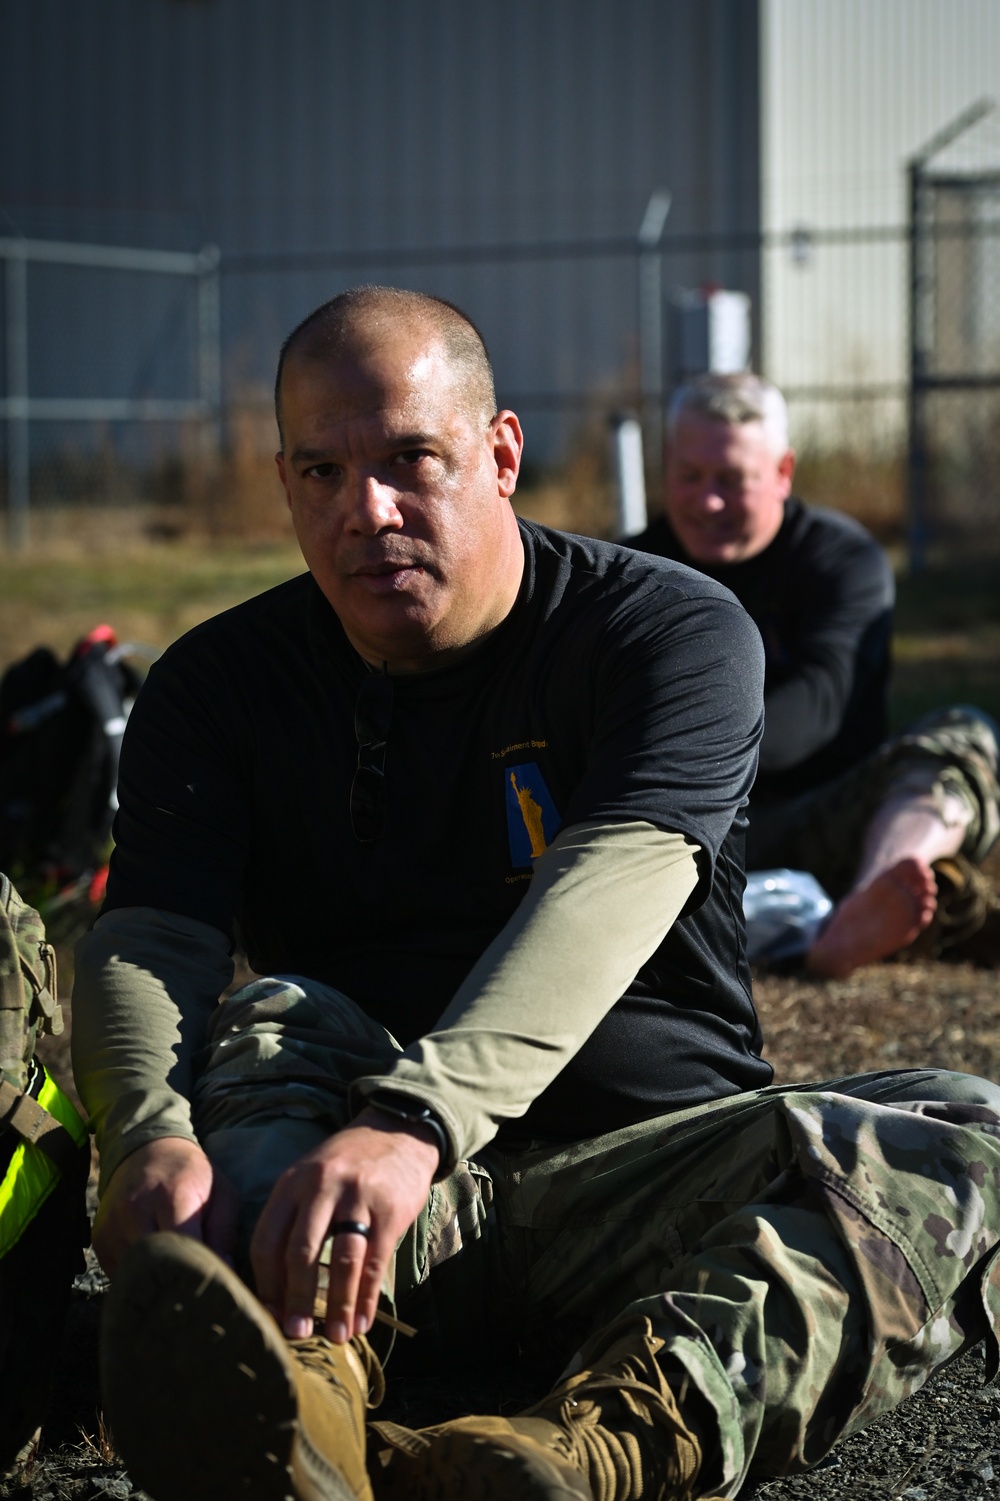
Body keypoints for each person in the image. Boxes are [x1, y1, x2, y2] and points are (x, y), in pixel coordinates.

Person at [72, 289, 1000, 1501]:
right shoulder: (217, 684)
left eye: (412, 459)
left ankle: (584, 1454)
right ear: (285, 482)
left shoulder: (662, 631)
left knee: (968, 1128)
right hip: (362, 1229)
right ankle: (301, 1394)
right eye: (320, 471)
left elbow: (617, 879)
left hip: (643, 1190)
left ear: (500, 453)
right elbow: (150, 933)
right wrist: (144, 1132)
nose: (368, 510)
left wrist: (418, 1120)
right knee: (277, 1016)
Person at [626, 371, 1000, 979]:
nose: (707, 501)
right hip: (685, 826)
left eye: (731, 480)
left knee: (963, 736)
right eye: (689, 476)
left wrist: (679, 742)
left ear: (782, 472)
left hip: (821, 816)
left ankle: (876, 898)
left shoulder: (842, 562)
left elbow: (820, 708)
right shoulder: (633, 572)